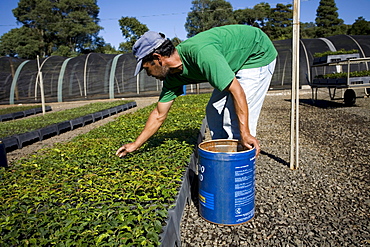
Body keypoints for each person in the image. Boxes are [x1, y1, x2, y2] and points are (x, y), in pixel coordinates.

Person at [116, 24, 277, 158]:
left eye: (147, 68)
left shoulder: (200, 54)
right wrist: (135, 144)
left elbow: (237, 92)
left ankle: (238, 173)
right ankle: (222, 158)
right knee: (213, 111)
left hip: (255, 53)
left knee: (231, 116)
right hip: (233, 60)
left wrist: (245, 132)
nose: (148, 74)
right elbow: (159, 114)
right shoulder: (172, 77)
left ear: (158, 58)